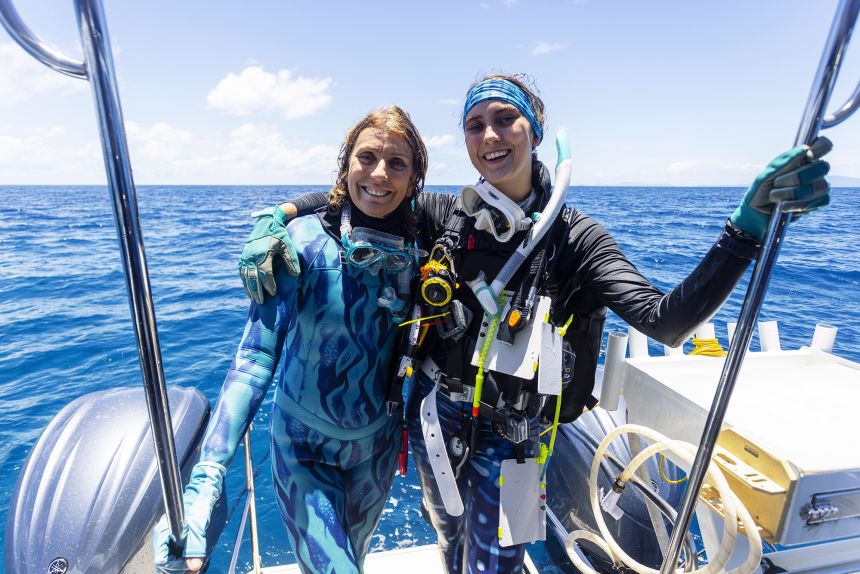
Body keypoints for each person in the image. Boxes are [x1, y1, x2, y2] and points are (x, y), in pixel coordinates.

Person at [239, 74, 831, 573]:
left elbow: (666, 321)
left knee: (496, 564)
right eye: (476, 125)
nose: (490, 136)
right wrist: (280, 214)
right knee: (449, 540)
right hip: (435, 423)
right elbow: (365, 193)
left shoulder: (576, 239)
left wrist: (744, 229)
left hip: (517, 442)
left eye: (506, 120)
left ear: (536, 131)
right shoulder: (445, 215)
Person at [153, 106, 436, 573]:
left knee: (353, 559)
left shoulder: (423, 250)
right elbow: (254, 359)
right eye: (367, 157)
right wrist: (207, 477)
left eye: (397, 163)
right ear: (346, 165)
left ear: (414, 179)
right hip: (303, 447)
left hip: (378, 449)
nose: (379, 174)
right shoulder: (299, 243)